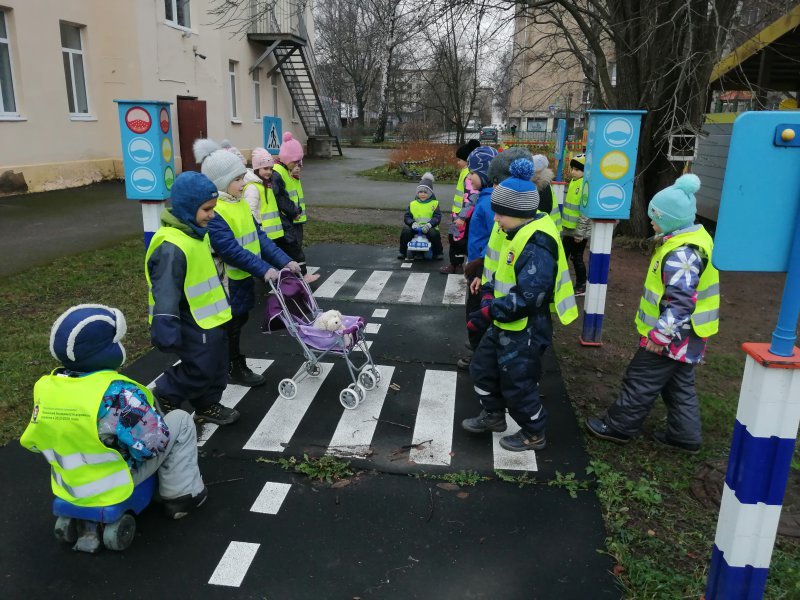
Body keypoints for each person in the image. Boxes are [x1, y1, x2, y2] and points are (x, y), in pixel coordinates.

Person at [21, 304, 207, 519]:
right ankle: (182, 497)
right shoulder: (118, 394)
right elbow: (153, 445)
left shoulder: (46, 388)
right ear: (103, 352)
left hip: (70, 482)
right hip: (113, 479)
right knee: (180, 420)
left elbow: (36, 440)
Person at [585, 174, 720, 454]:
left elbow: (681, 302)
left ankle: (619, 427)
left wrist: (660, 334)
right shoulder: (694, 238)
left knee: (641, 379)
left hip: (671, 334)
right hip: (690, 333)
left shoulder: (682, 253)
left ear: (670, 219)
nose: (650, 221)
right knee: (678, 384)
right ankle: (685, 436)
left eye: (655, 217)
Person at [461, 159, 578, 451]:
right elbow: (503, 271)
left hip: (525, 328)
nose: (496, 219)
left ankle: (533, 432)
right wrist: (488, 292)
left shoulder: (537, 242)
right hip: (505, 321)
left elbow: (531, 296)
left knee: (518, 383)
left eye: (501, 213)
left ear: (518, 211)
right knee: (482, 368)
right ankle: (493, 415)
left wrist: (488, 310)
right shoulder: (517, 230)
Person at [195, 139, 301, 388]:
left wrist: (286, 261)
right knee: (228, 326)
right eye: (238, 179)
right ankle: (231, 366)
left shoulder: (239, 204)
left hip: (242, 278)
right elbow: (230, 250)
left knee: (238, 321)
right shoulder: (217, 211)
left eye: (243, 177)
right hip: (225, 281)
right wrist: (266, 269)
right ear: (221, 182)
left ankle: (229, 363)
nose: (244, 183)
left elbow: (259, 238)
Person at [146, 171, 238, 425]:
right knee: (199, 367)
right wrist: (165, 328)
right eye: (207, 209)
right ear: (188, 207)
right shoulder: (171, 245)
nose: (212, 214)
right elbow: (165, 292)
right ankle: (164, 395)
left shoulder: (194, 233)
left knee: (217, 364)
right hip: (191, 319)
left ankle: (207, 404)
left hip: (210, 317)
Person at [442, 139, 480, 275]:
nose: (457, 162)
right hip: (459, 215)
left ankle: (457, 265)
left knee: (455, 239)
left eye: (460, 159)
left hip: (462, 217)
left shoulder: (469, 174)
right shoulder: (466, 172)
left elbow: (471, 198)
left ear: (467, 160)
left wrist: (462, 217)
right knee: (455, 238)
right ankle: (457, 264)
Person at [272, 132, 307, 274]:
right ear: (287, 159)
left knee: (295, 245)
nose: (298, 164)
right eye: (295, 161)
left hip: (294, 217)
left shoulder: (288, 170)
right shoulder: (278, 173)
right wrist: (294, 210)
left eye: (300, 161)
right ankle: (299, 274)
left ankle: (298, 273)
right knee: (293, 246)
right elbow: (281, 198)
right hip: (289, 217)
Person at [561, 154, 591, 296]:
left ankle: (581, 285)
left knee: (577, 257)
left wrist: (580, 233)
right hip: (568, 229)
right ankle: (560, 283)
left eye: (577, 169)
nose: (573, 172)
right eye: (572, 169)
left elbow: (584, 213)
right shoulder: (574, 182)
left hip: (578, 232)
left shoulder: (585, 186)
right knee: (563, 256)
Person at [398, 171, 443, 260]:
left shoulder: (434, 203)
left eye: (425, 192)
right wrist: (412, 223)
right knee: (406, 231)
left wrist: (430, 224)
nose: (422, 194)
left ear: (430, 193)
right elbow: (407, 216)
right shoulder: (413, 204)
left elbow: (437, 216)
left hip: (429, 227)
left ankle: (438, 252)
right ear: (417, 193)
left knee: (434, 234)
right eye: (420, 192)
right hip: (416, 227)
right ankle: (402, 251)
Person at [244, 147, 285, 243]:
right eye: (265, 168)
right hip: (263, 235)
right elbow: (251, 212)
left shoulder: (266, 184)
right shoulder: (252, 188)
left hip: (273, 235)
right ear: (257, 169)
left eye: (271, 169)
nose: (269, 172)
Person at [532, 154, 562, 231]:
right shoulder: (545, 182)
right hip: (551, 225)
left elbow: (542, 211)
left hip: (546, 228)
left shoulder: (541, 186)